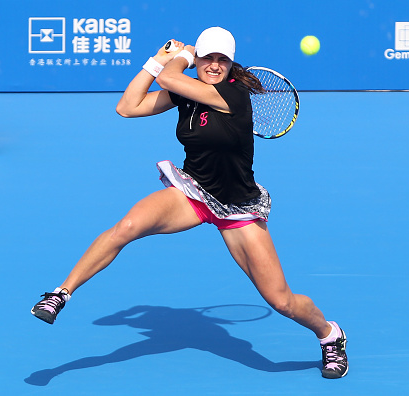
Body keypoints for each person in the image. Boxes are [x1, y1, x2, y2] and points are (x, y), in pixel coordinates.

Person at [31, 26, 348, 379]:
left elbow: (171, 78)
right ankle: (60, 294)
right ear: (200, 59)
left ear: (231, 64)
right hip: (194, 192)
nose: (214, 65)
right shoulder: (185, 92)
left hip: (238, 209)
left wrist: (178, 58)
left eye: (221, 60)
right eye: (207, 58)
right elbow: (127, 107)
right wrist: (155, 61)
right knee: (127, 228)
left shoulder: (234, 94)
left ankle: (329, 334)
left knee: (281, 300)